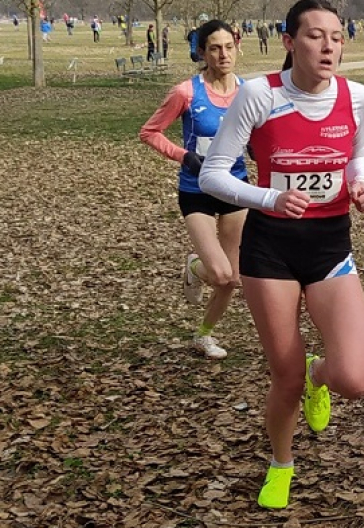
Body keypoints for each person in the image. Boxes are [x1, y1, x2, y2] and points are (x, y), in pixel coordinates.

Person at [199, 0, 364, 509]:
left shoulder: (356, 97)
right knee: (285, 375)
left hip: (330, 245)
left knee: (354, 378)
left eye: (337, 37)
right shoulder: (260, 95)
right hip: (270, 248)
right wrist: (269, 197)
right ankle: (281, 463)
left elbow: (357, 155)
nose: (328, 47)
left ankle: (322, 376)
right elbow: (214, 173)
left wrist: (359, 185)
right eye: (316, 36)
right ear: (289, 42)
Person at [139, 20, 247, 361]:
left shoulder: (249, 92)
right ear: (201, 52)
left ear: (237, 46)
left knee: (233, 279)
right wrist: (184, 156)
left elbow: (258, 137)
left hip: (235, 189)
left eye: (228, 46)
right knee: (218, 273)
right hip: (196, 190)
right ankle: (195, 267)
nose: (223, 54)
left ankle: (203, 335)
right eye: (214, 48)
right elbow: (150, 132)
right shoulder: (186, 91)